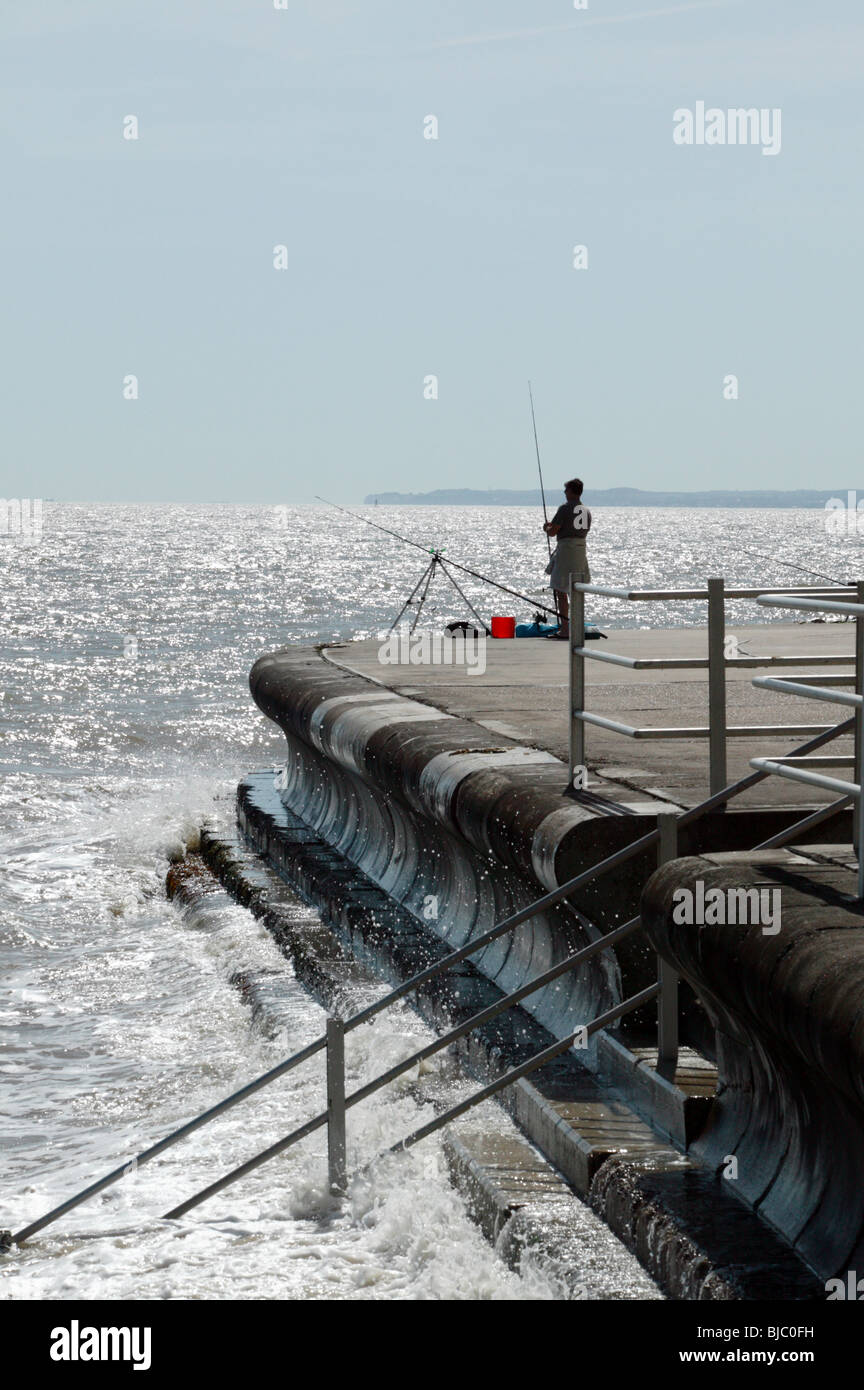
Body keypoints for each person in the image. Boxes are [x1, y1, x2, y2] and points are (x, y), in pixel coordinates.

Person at [542, 478, 591, 640]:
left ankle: (565, 629)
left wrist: (546, 527)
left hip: (566, 551)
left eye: (566, 490)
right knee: (576, 591)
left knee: (560, 589)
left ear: (571, 491)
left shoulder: (564, 508)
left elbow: (553, 532)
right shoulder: (586, 510)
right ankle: (576, 627)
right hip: (580, 551)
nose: (564, 493)